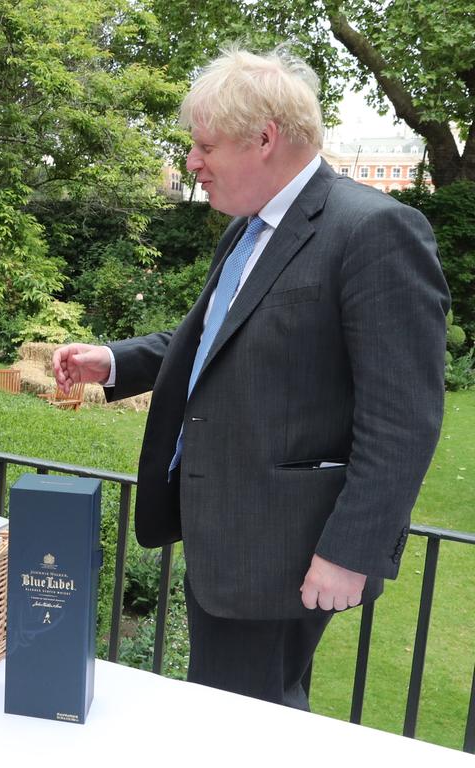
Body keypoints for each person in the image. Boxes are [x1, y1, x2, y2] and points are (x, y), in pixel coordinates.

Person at [54, 46, 449, 708]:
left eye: (204, 145)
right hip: (226, 533)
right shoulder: (248, 229)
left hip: (285, 550)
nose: (191, 162)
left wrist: (351, 550)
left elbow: (404, 416)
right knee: (239, 711)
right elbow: (215, 339)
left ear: (264, 139)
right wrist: (116, 361)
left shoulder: (375, 230)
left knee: (242, 718)